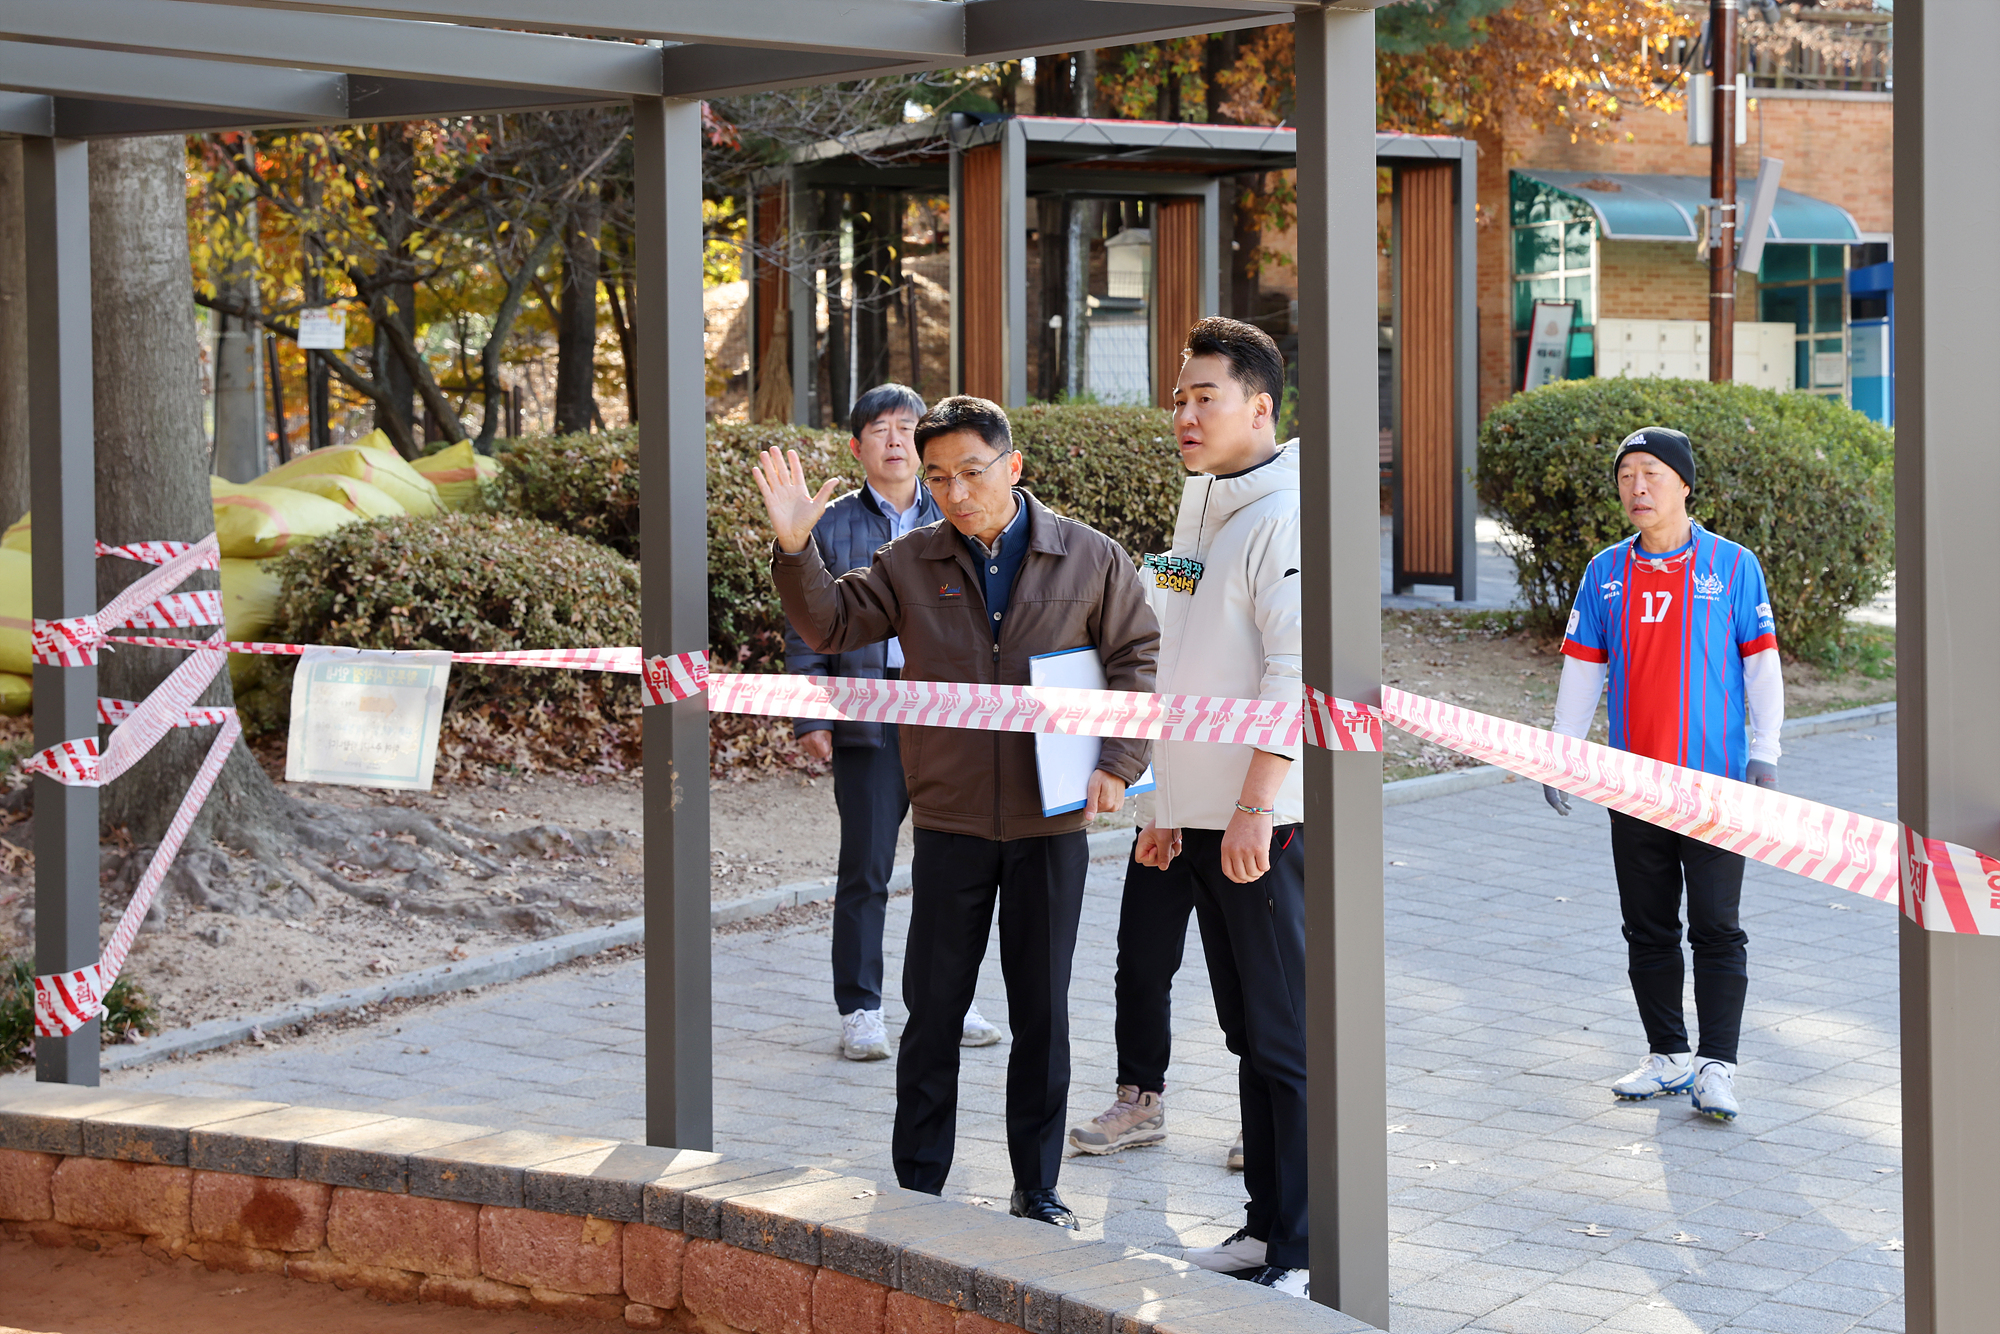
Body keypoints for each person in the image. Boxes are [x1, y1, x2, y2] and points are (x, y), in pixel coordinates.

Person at [756, 395, 1159, 1229]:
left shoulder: (1090, 558)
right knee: (933, 1010)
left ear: (1013, 467)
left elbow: (1136, 659)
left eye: (971, 472)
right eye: (937, 477)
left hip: (1051, 823)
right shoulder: (911, 559)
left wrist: (1119, 764)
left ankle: (1037, 1187)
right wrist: (798, 548)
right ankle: (917, 1187)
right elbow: (829, 623)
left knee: (1042, 1012)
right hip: (949, 819)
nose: (954, 491)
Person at [1070, 317, 1310, 1298]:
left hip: (1263, 821)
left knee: (1285, 1037)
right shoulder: (1201, 509)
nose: (1182, 412)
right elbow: (1168, 648)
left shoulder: (1284, 514)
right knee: (1247, 1029)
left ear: (1258, 405)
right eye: (1176, 396)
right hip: (1195, 815)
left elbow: (1294, 671)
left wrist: (1255, 804)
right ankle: (1264, 1226)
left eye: (1202, 394)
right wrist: (1160, 793)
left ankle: (1304, 1247)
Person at [1545, 426, 1784, 1124]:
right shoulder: (1604, 573)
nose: (1637, 488)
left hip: (1714, 786)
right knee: (1647, 927)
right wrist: (1563, 752)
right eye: (1626, 476)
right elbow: (1584, 668)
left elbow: (1760, 667)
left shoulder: (1733, 567)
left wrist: (1764, 754)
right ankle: (1669, 1055)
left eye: (1651, 473)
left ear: (1684, 483)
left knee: (1715, 927)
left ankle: (1718, 1066)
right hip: (1632, 785)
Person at [782, 384, 1002, 1062]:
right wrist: (810, 707)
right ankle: (861, 1007)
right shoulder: (831, 521)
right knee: (867, 867)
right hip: (868, 712)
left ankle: (946, 1000)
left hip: (948, 712)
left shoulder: (958, 513)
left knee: (953, 866)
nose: (896, 439)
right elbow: (807, 619)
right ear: (858, 447)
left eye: (908, 427)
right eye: (880, 428)